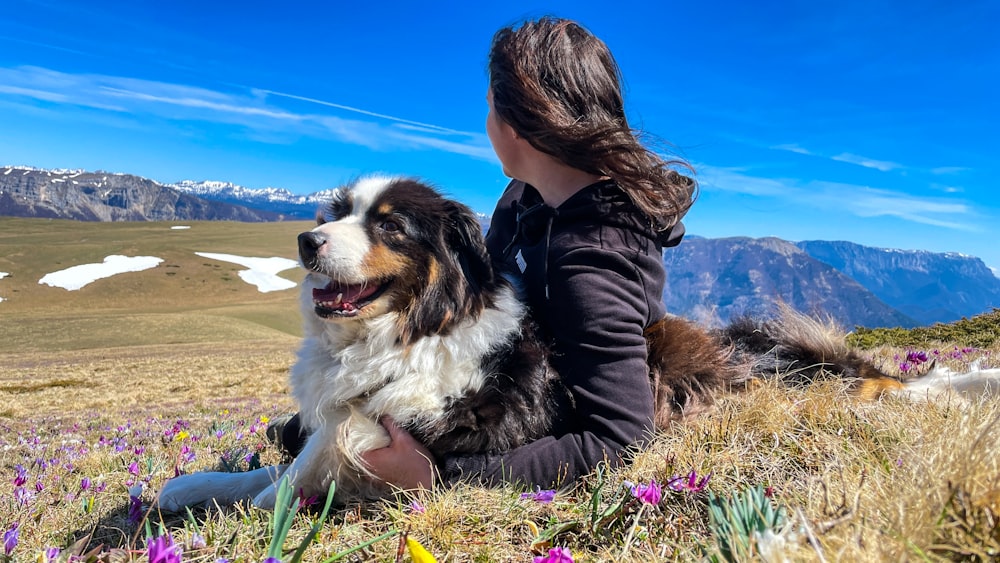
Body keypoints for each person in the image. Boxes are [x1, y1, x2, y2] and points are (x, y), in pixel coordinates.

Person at [273, 16, 695, 491]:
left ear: (518, 122)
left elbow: (620, 441)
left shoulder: (591, 263)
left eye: (491, 108)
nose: (487, 123)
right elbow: (475, 303)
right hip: (504, 383)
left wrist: (439, 476)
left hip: (529, 410)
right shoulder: (525, 199)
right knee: (301, 433)